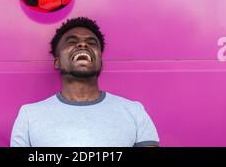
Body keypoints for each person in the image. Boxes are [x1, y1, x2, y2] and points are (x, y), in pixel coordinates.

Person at [10, 16, 159, 147]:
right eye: (72, 41)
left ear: (100, 61)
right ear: (57, 62)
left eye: (92, 42)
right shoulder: (29, 115)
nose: (83, 45)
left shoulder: (134, 112)